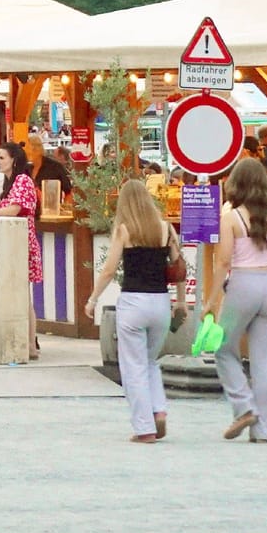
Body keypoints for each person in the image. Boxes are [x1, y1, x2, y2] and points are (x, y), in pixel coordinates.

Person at [84, 180, 186, 442]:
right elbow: (178, 270)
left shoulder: (124, 230)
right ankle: (159, 410)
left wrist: (93, 299)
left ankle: (144, 428)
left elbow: (109, 270)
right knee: (151, 362)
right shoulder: (165, 230)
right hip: (160, 303)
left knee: (134, 367)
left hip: (133, 302)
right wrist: (181, 302)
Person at [205, 157, 267, 442]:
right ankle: (264, 430)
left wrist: (211, 302)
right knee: (266, 360)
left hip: (243, 283)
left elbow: (223, 261)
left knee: (224, 347)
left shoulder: (231, 217)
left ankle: (243, 405)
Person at [0, 142, 44, 359]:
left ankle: (30, 344)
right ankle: (28, 343)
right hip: (12, 242)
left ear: (14, 160)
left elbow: (15, 210)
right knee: (19, 295)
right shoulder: (10, 181)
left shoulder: (23, 180)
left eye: (2, 158)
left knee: (23, 295)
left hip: (21, 242)